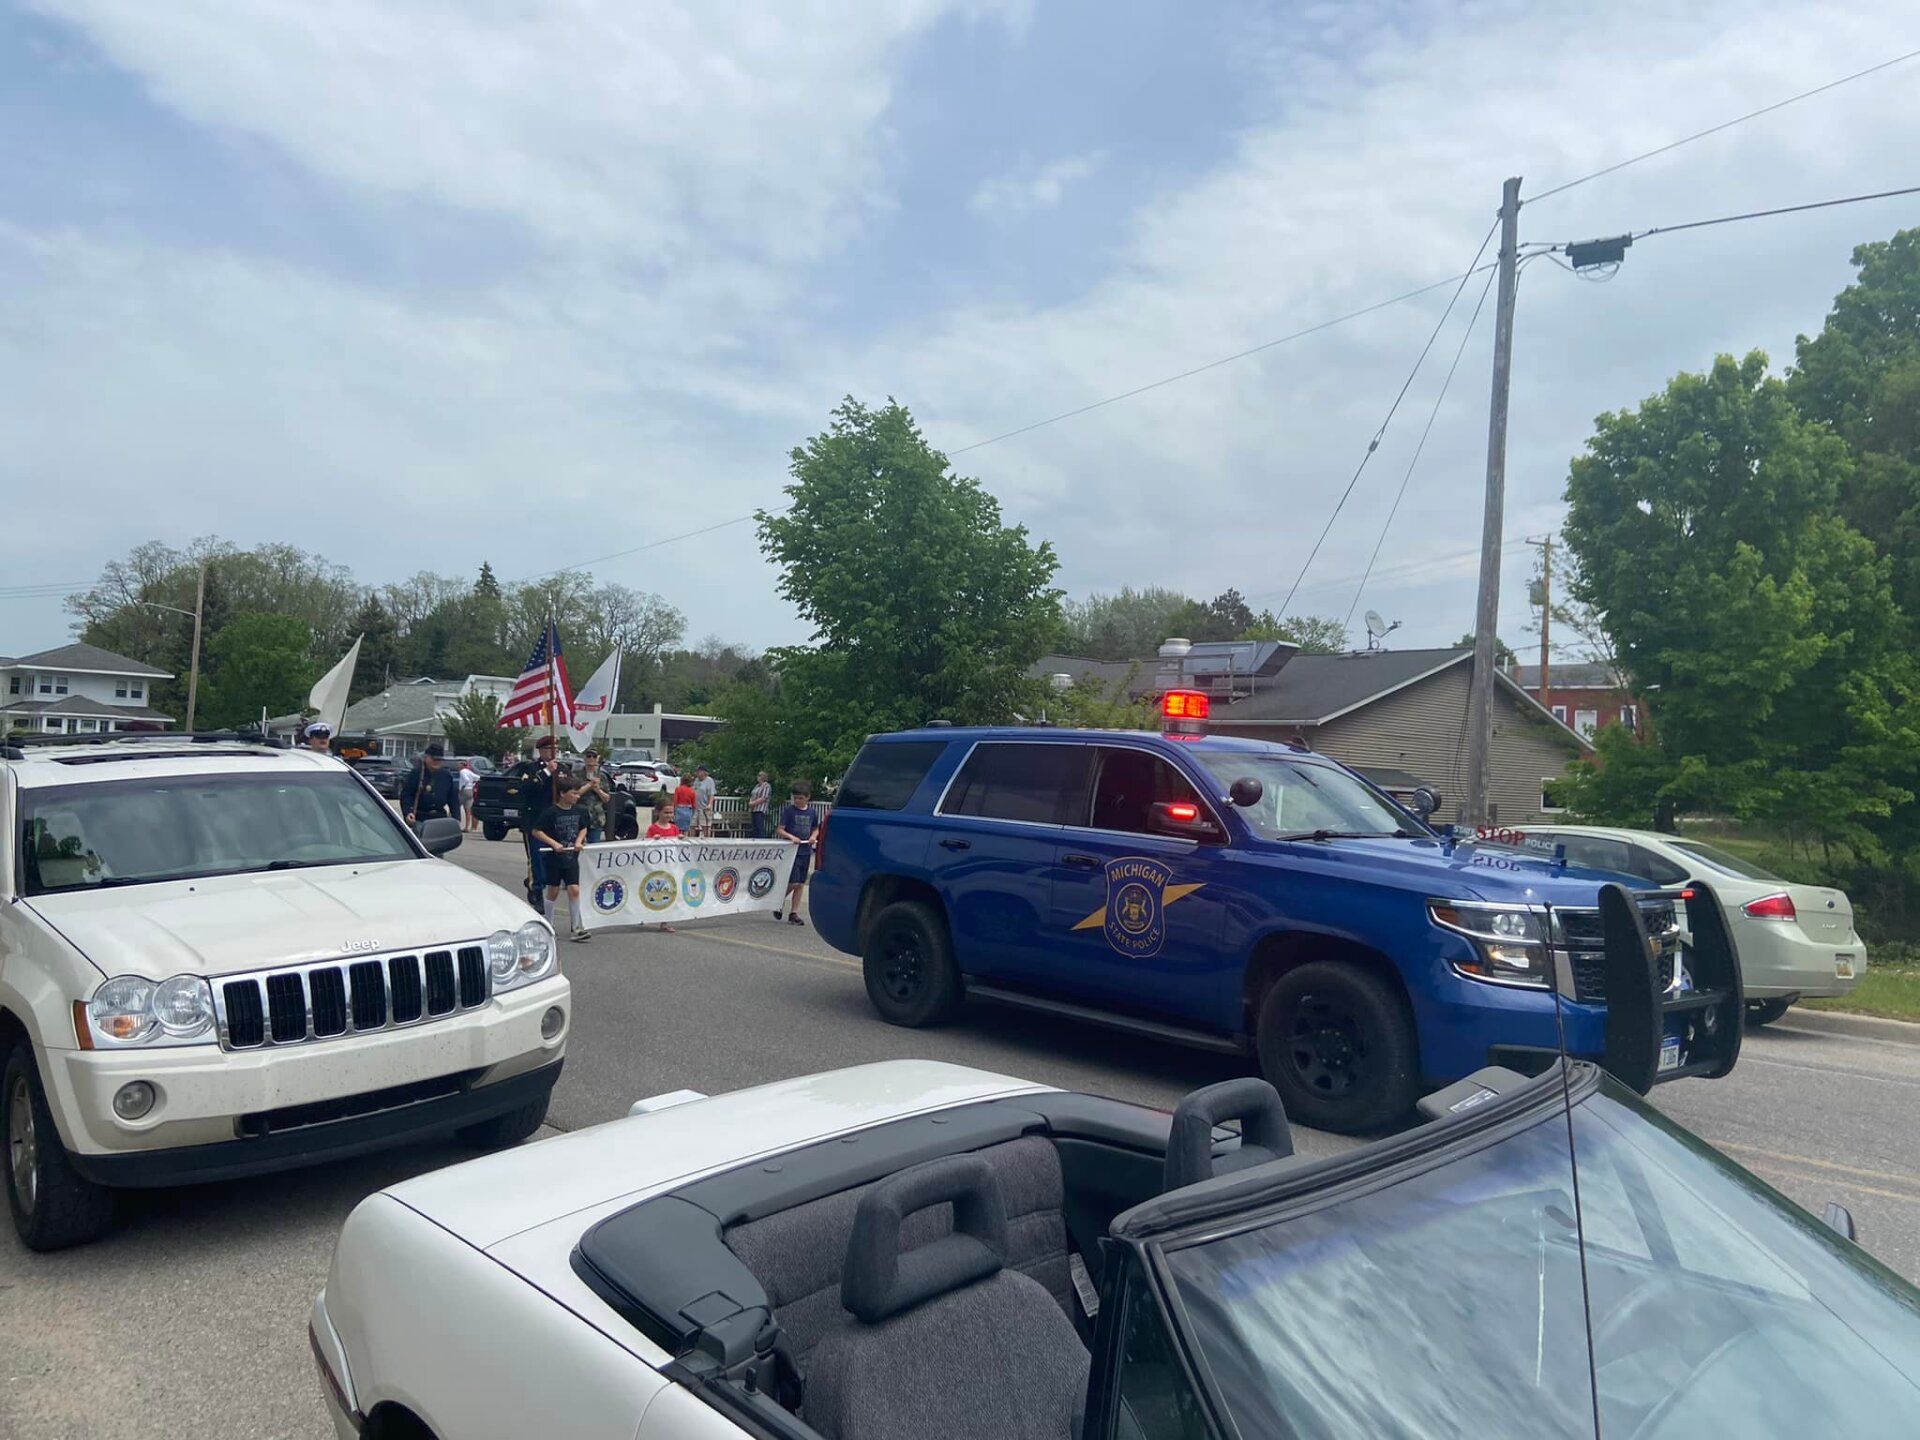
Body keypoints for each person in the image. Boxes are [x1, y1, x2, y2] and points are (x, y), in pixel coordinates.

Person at [531, 774, 591, 941]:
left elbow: (583, 828)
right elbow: (536, 831)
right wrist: (553, 844)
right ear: (563, 793)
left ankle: (576, 927)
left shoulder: (580, 811)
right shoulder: (551, 813)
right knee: (554, 890)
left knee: (574, 889)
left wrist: (579, 841)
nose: (577, 797)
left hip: (571, 857)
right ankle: (549, 924)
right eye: (573, 793)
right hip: (554, 859)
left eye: (578, 794)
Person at [509, 735, 563, 909]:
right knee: (536, 858)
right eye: (548, 749)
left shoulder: (562, 769)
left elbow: (571, 788)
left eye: (555, 749)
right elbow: (526, 788)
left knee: (552, 859)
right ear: (541, 751)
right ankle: (537, 890)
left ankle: (537, 882)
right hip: (535, 821)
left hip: (555, 822)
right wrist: (547, 772)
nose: (552, 752)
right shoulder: (530, 768)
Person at [774, 780, 821, 926]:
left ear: (807, 797)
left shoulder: (812, 812)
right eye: (796, 798)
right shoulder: (789, 811)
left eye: (801, 798)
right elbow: (780, 829)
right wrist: (791, 837)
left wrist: (813, 837)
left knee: (800, 883)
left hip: (805, 850)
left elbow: (815, 828)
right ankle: (778, 901)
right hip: (792, 851)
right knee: (793, 881)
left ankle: (793, 912)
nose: (798, 801)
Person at [399, 742, 460, 829]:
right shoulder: (416, 773)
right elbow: (406, 795)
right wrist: (408, 812)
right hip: (420, 817)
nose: (436, 762)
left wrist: (456, 817)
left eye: (439, 759)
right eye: (434, 759)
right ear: (426, 758)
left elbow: (453, 798)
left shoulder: (446, 776)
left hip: (439, 817)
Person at [644, 802, 679, 932]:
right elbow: (646, 845)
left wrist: (681, 839)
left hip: (670, 864)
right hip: (656, 865)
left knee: (668, 891)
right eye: (666, 812)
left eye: (671, 812)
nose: (669, 815)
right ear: (658, 812)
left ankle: (665, 921)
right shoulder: (653, 828)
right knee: (652, 890)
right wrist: (653, 840)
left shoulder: (674, 828)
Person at [579, 748, 612, 844]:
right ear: (584, 758)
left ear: (598, 758)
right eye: (588, 756)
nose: (591, 759)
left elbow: (607, 798)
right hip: (580, 818)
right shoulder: (576, 774)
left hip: (596, 819)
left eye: (594, 756)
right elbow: (575, 793)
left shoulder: (602, 776)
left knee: (594, 848)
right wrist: (589, 785)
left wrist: (598, 790)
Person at [692, 764, 717, 838]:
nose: (697, 773)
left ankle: (707, 841)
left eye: (699, 771)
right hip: (695, 807)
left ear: (704, 772)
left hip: (704, 807)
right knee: (692, 825)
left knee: (705, 826)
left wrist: (709, 804)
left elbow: (711, 794)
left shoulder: (709, 781)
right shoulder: (696, 780)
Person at [457, 757, 480, 832]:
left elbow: (466, 780)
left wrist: (463, 787)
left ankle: (454, 824)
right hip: (470, 791)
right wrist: (472, 784)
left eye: (459, 764)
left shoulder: (462, 771)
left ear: (462, 765)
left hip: (464, 790)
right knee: (468, 810)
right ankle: (467, 827)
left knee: (456, 807)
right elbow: (478, 778)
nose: (458, 766)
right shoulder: (469, 771)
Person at [748, 771, 772, 839]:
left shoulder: (766, 786)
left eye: (759, 775)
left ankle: (762, 841)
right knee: (754, 827)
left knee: (759, 827)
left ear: (763, 777)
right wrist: (750, 802)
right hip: (753, 809)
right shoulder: (757, 786)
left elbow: (763, 798)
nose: (757, 777)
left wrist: (753, 803)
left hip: (760, 809)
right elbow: (752, 795)